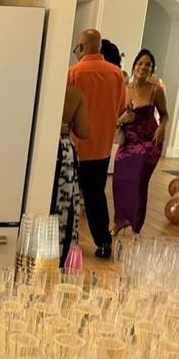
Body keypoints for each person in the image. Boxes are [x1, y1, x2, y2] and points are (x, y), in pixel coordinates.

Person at [67, 28, 127, 258]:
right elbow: (121, 107)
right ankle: (103, 243)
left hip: (76, 145)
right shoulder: (116, 74)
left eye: (76, 49)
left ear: (82, 47)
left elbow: (65, 109)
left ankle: (68, 242)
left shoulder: (74, 72)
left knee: (70, 196)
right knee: (96, 196)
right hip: (102, 147)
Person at [112, 48, 169, 235]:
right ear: (134, 65)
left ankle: (136, 226)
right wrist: (121, 120)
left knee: (138, 183)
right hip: (128, 143)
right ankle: (120, 220)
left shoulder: (155, 90)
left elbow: (165, 115)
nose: (143, 67)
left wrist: (162, 127)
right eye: (140, 63)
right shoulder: (124, 89)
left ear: (152, 69)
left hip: (148, 143)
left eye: (148, 65)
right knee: (119, 182)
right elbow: (113, 118)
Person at [51, 82, 89, 266]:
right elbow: (84, 130)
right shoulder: (74, 93)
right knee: (62, 214)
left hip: (32, 146)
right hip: (62, 151)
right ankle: (57, 261)